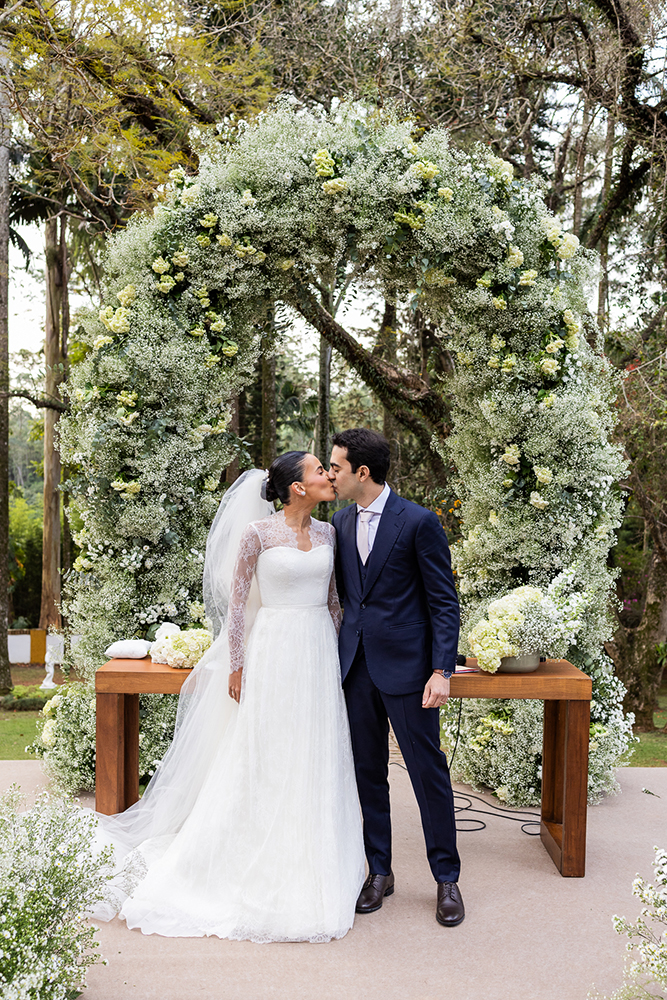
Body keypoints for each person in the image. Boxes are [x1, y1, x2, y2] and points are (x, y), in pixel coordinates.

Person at [92, 455, 365, 943]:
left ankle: (312, 851)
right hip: (273, 650)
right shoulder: (258, 534)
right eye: (319, 470)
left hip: (317, 652)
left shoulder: (329, 534)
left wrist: (336, 659)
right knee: (265, 750)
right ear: (295, 488)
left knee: (313, 751)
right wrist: (237, 665)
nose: (328, 475)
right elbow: (236, 604)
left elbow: (334, 603)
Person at [328, 428, 464, 927]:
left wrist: (441, 670)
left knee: (429, 775)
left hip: (410, 671)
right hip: (356, 670)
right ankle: (379, 871)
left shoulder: (419, 522)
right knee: (368, 775)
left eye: (337, 466)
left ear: (363, 472)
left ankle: (446, 879)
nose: (331, 473)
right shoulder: (338, 522)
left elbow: (443, 602)